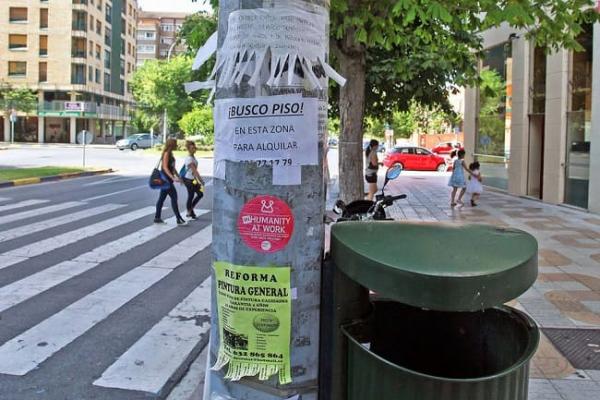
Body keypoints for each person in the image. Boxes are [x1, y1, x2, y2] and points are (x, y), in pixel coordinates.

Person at [154, 138, 186, 225]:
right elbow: (164, 167)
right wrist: (172, 177)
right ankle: (178, 218)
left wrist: (178, 176)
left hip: (167, 180)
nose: (177, 145)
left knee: (161, 199)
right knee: (174, 197)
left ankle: (157, 217)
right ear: (171, 144)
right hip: (165, 180)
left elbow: (172, 167)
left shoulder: (170, 154)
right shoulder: (166, 153)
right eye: (175, 143)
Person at [182, 141, 205, 219]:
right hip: (188, 180)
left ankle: (190, 211)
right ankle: (190, 212)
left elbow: (194, 173)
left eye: (194, 147)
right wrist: (201, 181)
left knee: (200, 194)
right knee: (191, 195)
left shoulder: (193, 157)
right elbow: (195, 171)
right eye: (192, 148)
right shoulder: (189, 159)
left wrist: (197, 181)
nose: (194, 149)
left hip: (192, 179)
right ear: (188, 149)